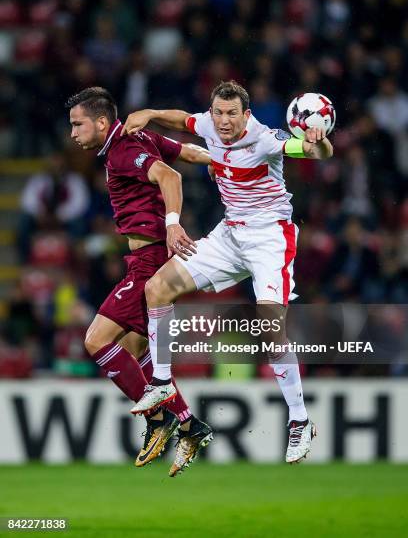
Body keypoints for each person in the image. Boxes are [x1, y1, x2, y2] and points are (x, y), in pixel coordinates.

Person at [121, 80, 334, 472]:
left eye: (231, 113)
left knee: (271, 327)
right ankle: (163, 381)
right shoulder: (208, 124)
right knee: (157, 288)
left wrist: (319, 140)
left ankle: (300, 420)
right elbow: (182, 120)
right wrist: (150, 113)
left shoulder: (265, 139)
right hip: (230, 233)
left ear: (246, 115)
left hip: (270, 236)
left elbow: (313, 151)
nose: (223, 121)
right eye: (218, 112)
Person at [67, 86, 213, 475]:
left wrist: (171, 223)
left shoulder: (123, 151)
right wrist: (228, 163)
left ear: (101, 122)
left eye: (77, 124)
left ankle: (157, 420)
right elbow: (190, 153)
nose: (73, 133)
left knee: (96, 340)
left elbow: (171, 176)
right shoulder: (139, 137)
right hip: (143, 258)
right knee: (135, 347)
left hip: (148, 260)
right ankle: (188, 424)